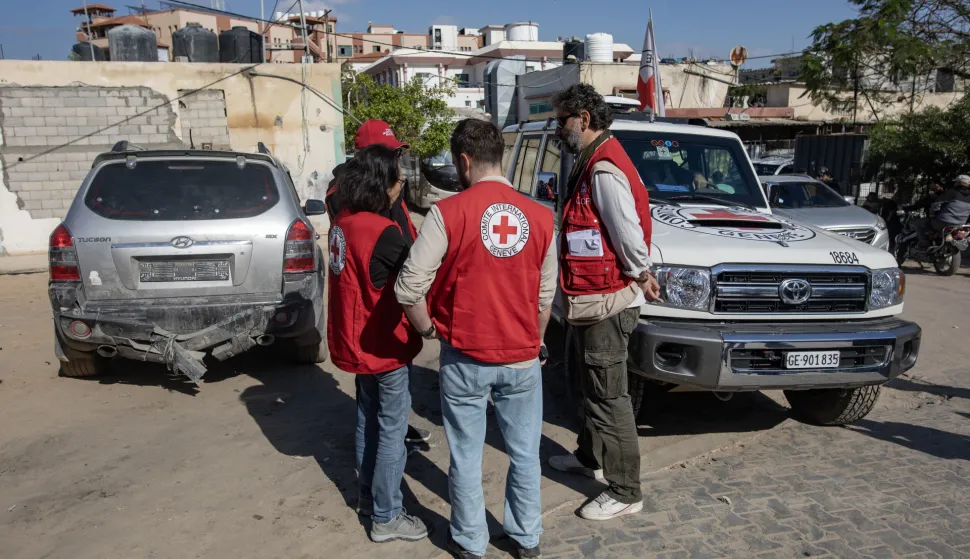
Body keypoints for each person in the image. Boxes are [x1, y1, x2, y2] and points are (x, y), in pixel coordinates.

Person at [395, 119, 555, 559]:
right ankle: (526, 537)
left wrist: (429, 330)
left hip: (465, 353)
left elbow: (408, 289)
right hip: (522, 355)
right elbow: (545, 299)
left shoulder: (447, 214)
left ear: (463, 161)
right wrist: (536, 342)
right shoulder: (542, 218)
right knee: (525, 452)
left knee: (466, 454)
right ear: (499, 155)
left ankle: (470, 541)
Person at [546, 84, 662, 521]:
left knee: (609, 396)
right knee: (587, 385)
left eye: (563, 121)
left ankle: (626, 490)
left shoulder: (604, 170)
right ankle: (588, 456)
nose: (559, 129)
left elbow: (627, 233)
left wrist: (641, 273)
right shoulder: (592, 160)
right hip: (590, 300)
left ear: (585, 120)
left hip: (607, 302)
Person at [327, 144, 429, 543]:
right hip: (383, 346)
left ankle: (368, 499)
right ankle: (386, 515)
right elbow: (415, 281)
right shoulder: (383, 231)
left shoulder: (343, 223)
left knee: (366, 420)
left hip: (355, 345)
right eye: (398, 179)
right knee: (390, 430)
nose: (401, 185)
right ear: (381, 183)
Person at [913, 175, 970, 245]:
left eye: (956, 182)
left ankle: (924, 244)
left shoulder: (951, 192)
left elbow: (936, 205)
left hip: (943, 223)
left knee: (917, 223)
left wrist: (932, 214)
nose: (954, 184)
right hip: (960, 225)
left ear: (959, 183)